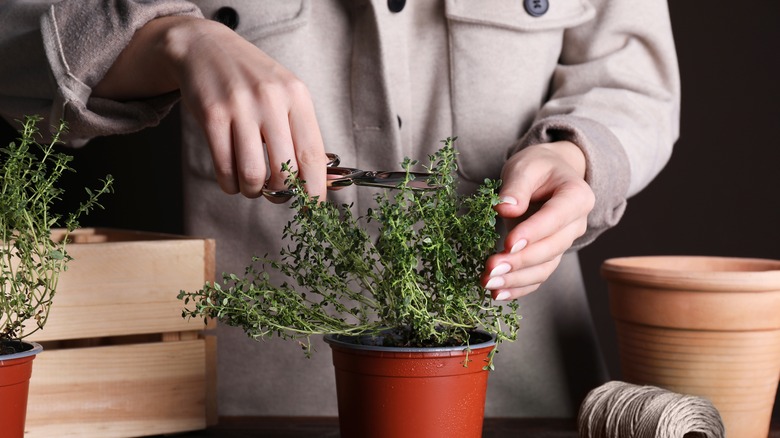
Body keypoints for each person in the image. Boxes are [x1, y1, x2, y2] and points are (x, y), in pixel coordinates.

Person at [0, 0, 679, 418]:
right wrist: (177, 38)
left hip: (526, 401)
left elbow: (633, 82)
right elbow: (17, 48)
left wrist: (576, 158)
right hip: (258, 409)